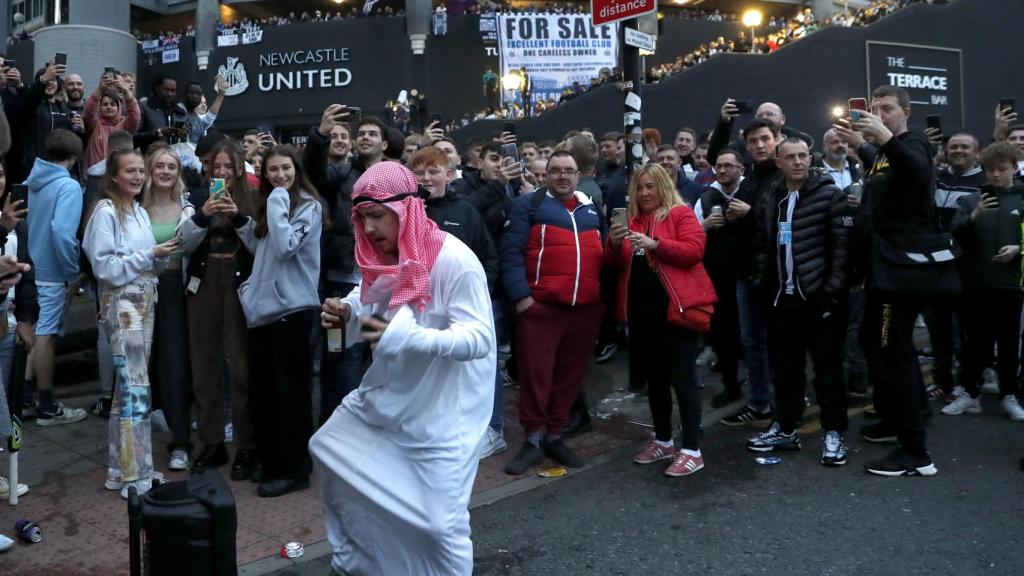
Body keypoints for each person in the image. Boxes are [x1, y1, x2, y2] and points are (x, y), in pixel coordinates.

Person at [312, 161, 494, 574]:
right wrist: (348, 312)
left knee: (439, 525)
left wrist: (410, 337)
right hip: (392, 393)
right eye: (363, 218)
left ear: (406, 209)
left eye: (377, 215)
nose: (370, 228)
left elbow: (480, 339)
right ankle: (365, 561)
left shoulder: (455, 261)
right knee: (329, 449)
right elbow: (371, 297)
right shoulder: (383, 254)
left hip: (446, 409)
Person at [849, 85, 942, 477]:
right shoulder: (887, 152)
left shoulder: (914, 143)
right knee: (877, 342)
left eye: (886, 109)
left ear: (905, 111)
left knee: (891, 351)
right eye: (875, 109)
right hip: (881, 268)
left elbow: (917, 173)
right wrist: (862, 145)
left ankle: (915, 452)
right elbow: (888, 174)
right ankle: (902, 417)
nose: (879, 115)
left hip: (900, 272)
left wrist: (884, 138)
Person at [744, 137, 852, 466]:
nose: (798, 162)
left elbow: (843, 249)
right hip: (781, 300)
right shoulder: (771, 195)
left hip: (819, 301)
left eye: (803, 156)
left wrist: (829, 291)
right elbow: (762, 244)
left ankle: (834, 432)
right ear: (778, 162)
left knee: (827, 370)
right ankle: (786, 427)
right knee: (786, 370)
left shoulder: (828, 194)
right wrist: (764, 285)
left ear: (810, 157)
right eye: (790, 157)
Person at [606, 163, 716, 477]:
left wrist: (657, 245)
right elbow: (614, 264)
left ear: (663, 187)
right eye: (639, 188)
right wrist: (613, 243)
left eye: (650, 186)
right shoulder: (631, 220)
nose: (644, 193)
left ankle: (692, 449)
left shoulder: (679, 214)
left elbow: (695, 250)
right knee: (655, 381)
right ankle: (664, 440)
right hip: (643, 316)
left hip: (677, 312)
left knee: (683, 379)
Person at [82, 148, 181, 498]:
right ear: (114, 176)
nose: (138, 177)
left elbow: (143, 264)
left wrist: (159, 257)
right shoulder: (105, 213)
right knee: (136, 390)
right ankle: (133, 476)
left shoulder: (138, 211)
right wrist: (150, 255)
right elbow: (104, 267)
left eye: (141, 171)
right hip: (124, 308)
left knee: (129, 391)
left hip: (144, 303)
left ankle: (124, 469)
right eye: (131, 171)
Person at [501, 151, 604, 475]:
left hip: (584, 309)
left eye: (569, 171)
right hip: (542, 308)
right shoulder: (528, 205)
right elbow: (511, 253)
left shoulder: (590, 209)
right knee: (535, 377)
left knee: (569, 378)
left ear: (579, 175)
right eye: (556, 171)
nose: (563, 176)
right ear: (546, 175)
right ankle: (533, 439)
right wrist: (522, 298)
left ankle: (555, 435)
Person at [235, 145, 323, 497]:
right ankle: (272, 461)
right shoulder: (274, 206)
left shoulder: (309, 207)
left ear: (296, 170)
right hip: (263, 311)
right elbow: (267, 250)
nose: (279, 175)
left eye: (285, 168)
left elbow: (287, 245)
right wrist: (244, 223)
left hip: (293, 310)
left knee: (290, 393)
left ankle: (295, 469)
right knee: (265, 390)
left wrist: (276, 200)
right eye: (272, 170)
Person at [410, 146, 503, 458]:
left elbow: (489, 260)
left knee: (480, 365)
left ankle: (492, 428)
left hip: (465, 310)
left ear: (448, 175)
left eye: (433, 171)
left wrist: (477, 295)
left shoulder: (466, 213)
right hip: (422, 311)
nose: (426, 178)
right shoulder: (405, 214)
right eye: (420, 172)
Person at [178, 140, 260, 479]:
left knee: (241, 366)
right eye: (217, 166)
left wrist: (238, 218)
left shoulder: (253, 197)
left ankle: (246, 444)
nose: (222, 172)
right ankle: (212, 442)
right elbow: (182, 246)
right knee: (204, 362)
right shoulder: (198, 197)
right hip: (204, 280)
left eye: (229, 166)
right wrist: (204, 214)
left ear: (240, 168)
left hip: (240, 284)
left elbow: (261, 246)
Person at [945, 141, 1024, 421]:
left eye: (1001, 169)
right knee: (974, 345)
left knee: (1008, 345)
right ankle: (969, 393)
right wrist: (976, 215)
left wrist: (1019, 249)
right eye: (990, 170)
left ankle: (1009, 394)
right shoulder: (970, 200)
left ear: (1015, 167)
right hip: (974, 284)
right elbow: (954, 234)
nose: (995, 175)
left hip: (1011, 285)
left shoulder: (1023, 199)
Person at [25, 129, 87, 425]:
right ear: (74, 157)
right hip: (53, 271)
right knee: (46, 337)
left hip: (32, 267)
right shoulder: (69, 186)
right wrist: (72, 272)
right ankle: (46, 407)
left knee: (38, 332)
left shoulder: (37, 181)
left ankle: (25, 397)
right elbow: (62, 232)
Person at [141, 144, 193, 470]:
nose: (164, 171)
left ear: (178, 173)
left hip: (175, 291)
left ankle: (181, 443)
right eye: (159, 166)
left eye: (170, 167)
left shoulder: (187, 208)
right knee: (138, 366)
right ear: (149, 170)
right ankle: (135, 441)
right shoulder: (135, 208)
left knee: (174, 365)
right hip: (141, 291)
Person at [693, 149, 746, 412]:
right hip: (717, 277)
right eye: (719, 167)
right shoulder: (705, 199)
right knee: (722, 335)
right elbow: (690, 241)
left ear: (741, 169)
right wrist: (704, 226)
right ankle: (731, 385)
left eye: (729, 166)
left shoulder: (751, 194)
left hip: (749, 275)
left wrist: (748, 214)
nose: (723, 170)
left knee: (754, 336)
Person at [83, 73, 141, 170]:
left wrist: (126, 92)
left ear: (119, 108)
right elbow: (89, 111)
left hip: (120, 175)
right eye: (105, 104)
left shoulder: (125, 125)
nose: (109, 107)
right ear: (100, 107)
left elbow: (135, 115)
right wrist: (100, 89)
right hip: (96, 176)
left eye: (113, 104)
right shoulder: (95, 124)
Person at [135, 74, 187, 152]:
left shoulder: (179, 112)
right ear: (157, 88)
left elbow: (182, 142)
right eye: (166, 89)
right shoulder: (143, 107)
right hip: (150, 158)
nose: (170, 94)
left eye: (173, 90)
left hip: (173, 157)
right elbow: (134, 137)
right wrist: (157, 133)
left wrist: (183, 135)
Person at [182, 77, 228, 145]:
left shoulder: (198, 121)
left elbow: (209, 118)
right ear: (184, 94)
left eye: (205, 103)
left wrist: (221, 94)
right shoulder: (178, 110)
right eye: (201, 103)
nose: (195, 96)